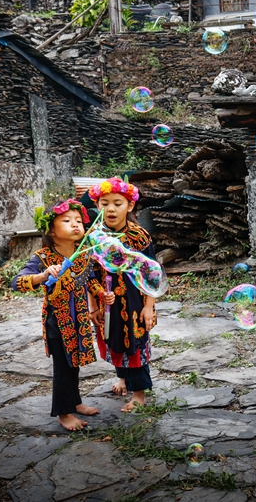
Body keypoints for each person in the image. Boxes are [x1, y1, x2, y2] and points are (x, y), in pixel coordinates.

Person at [11, 199, 110, 431]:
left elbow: (90, 280)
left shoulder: (83, 254)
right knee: (63, 368)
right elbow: (17, 282)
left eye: (78, 220)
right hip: (58, 322)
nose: (75, 224)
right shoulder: (43, 257)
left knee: (74, 363)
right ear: (52, 231)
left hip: (79, 320)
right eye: (67, 221)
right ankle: (63, 414)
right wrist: (43, 275)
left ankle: (75, 402)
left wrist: (102, 294)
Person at [88, 177, 158, 412]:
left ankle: (139, 393)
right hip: (107, 300)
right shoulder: (95, 237)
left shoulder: (139, 237)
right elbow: (91, 275)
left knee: (135, 342)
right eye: (104, 203)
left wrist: (148, 307)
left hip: (135, 301)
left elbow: (152, 274)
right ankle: (121, 377)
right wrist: (93, 307)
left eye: (118, 203)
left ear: (130, 206)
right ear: (98, 206)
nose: (110, 208)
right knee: (113, 337)